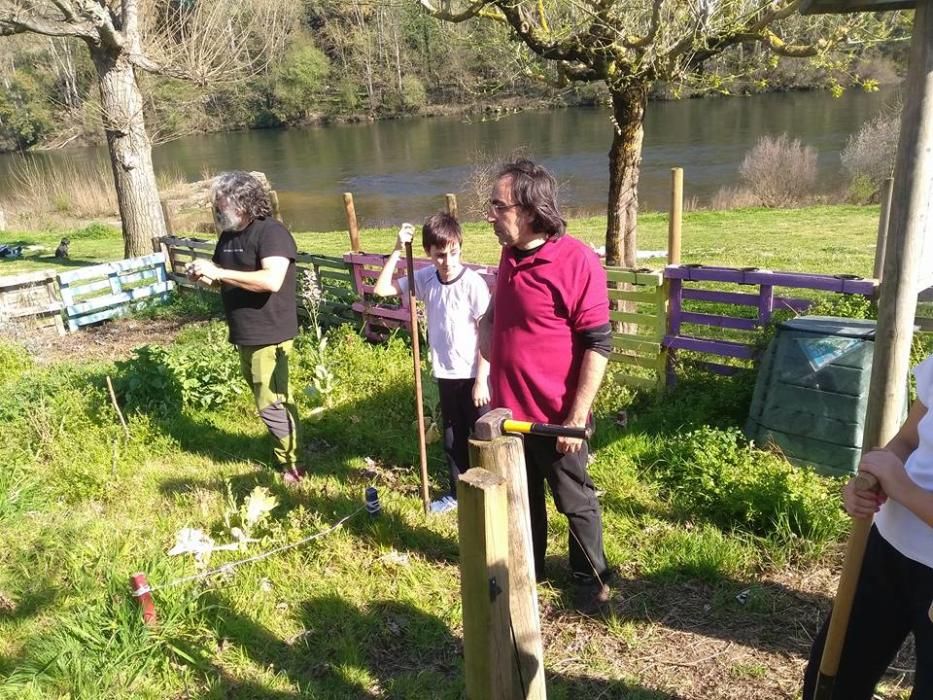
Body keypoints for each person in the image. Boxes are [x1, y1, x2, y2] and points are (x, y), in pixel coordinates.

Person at [480, 158, 614, 614]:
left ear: (531, 209)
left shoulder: (576, 261)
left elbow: (598, 344)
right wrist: (486, 325)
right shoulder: (509, 252)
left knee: (573, 499)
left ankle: (590, 579)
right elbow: (503, 313)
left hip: (556, 417)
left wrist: (573, 420)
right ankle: (529, 568)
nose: (491, 215)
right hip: (507, 416)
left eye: (498, 206)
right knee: (521, 497)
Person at [802, 357, 933, 700]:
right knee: (834, 677)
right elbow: (906, 441)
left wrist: (902, 487)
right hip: (887, 549)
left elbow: (901, 478)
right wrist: (870, 479)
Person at [186, 171, 304, 486]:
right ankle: (286, 448)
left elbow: (271, 280)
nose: (216, 209)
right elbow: (222, 279)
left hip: (271, 332)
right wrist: (203, 276)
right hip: (245, 333)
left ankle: (291, 464)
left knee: (271, 400)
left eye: (221, 203)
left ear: (242, 201)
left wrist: (219, 273)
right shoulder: (228, 236)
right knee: (268, 397)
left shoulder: (272, 233)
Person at [373, 213, 491, 514]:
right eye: (440, 255)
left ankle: (492, 488)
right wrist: (398, 248)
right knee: (452, 437)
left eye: (454, 253)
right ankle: (458, 492)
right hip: (446, 373)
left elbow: (486, 335)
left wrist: (481, 379)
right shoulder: (425, 278)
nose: (448, 261)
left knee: (482, 434)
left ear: (460, 248)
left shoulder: (473, 284)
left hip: (475, 375)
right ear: (429, 253)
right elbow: (381, 289)